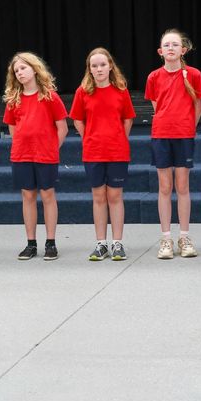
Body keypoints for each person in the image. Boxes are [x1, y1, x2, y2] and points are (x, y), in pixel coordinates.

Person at [69, 47, 136, 261]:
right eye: (94, 66)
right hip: (93, 152)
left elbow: (128, 119)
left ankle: (117, 243)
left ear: (110, 66)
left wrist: (118, 138)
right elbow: (77, 119)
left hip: (117, 152)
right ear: (89, 69)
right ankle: (101, 243)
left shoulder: (121, 90)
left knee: (115, 196)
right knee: (98, 197)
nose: (99, 69)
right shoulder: (82, 92)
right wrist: (89, 137)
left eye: (102, 65)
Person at [144, 29, 201, 259]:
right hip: (161, 135)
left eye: (175, 45)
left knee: (182, 186)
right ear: (160, 51)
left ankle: (184, 237)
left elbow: (198, 104)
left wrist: (188, 126)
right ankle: (166, 239)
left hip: (183, 136)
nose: (171, 48)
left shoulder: (194, 75)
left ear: (183, 50)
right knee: (164, 187)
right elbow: (156, 104)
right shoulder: (153, 77)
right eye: (166, 45)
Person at [3, 52, 68, 261]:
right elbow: (13, 128)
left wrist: (51, 148)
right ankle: (31, 243)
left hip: (45, 155)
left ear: (34, 68)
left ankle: (51, 242)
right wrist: (23, 146)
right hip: (22, 156)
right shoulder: (14, 99)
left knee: (48, 195)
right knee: (28, 196)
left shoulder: (50, 96)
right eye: (16, 71)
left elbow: (62, 128)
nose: (20, 73)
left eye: (23, 68)